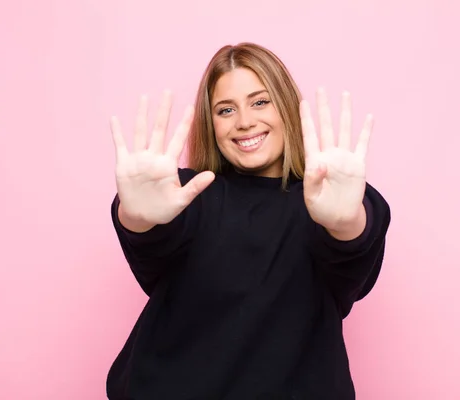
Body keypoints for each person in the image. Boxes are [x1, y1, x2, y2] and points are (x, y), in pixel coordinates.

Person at [107, 42, 391, 400]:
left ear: (285, 105)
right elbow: (151, 238)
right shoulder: (191, 193)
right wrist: (135, 216)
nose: (244, 121)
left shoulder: (336, 201)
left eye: (260, 101)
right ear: (212, 124)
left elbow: (353, 258)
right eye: (226, 110)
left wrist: (345, 222)